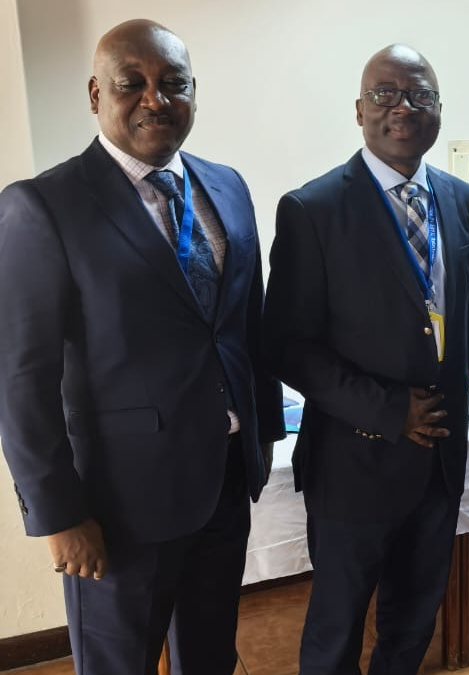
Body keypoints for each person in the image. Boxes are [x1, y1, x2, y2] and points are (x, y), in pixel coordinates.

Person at [0, 18, 284, 675]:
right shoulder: (44, 206)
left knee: (210, 656)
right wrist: (58, 514)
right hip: (118, 504)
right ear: (95, 94)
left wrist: (262, 431)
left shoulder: (227, 186)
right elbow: (21, 377)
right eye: (132, 83)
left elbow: (248, 322)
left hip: (223, 481)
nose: (156, 98)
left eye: (173, 83)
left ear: (193, 92)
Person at [261, 44, 469, 675]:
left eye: (420, 95)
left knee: (412, 624)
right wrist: (388, 409)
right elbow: (284, 344)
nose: (402, 108)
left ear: (438, 110)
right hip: (353, 463)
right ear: (359, 110)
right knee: (337, 631)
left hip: (438, 461)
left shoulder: (459, 199)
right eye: (385, 94)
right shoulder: (313, 209)